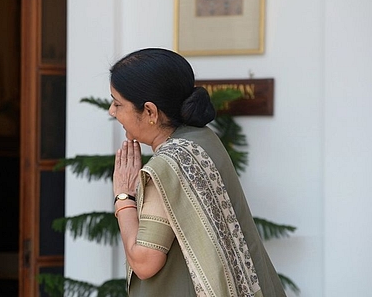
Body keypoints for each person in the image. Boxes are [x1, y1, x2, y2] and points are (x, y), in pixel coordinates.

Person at [109, 48, 286, 296]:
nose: (111, 111)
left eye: (118, 103)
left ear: (149, 112)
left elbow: (144, 262)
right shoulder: (203, 138)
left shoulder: (168, 165)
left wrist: (123, 196)